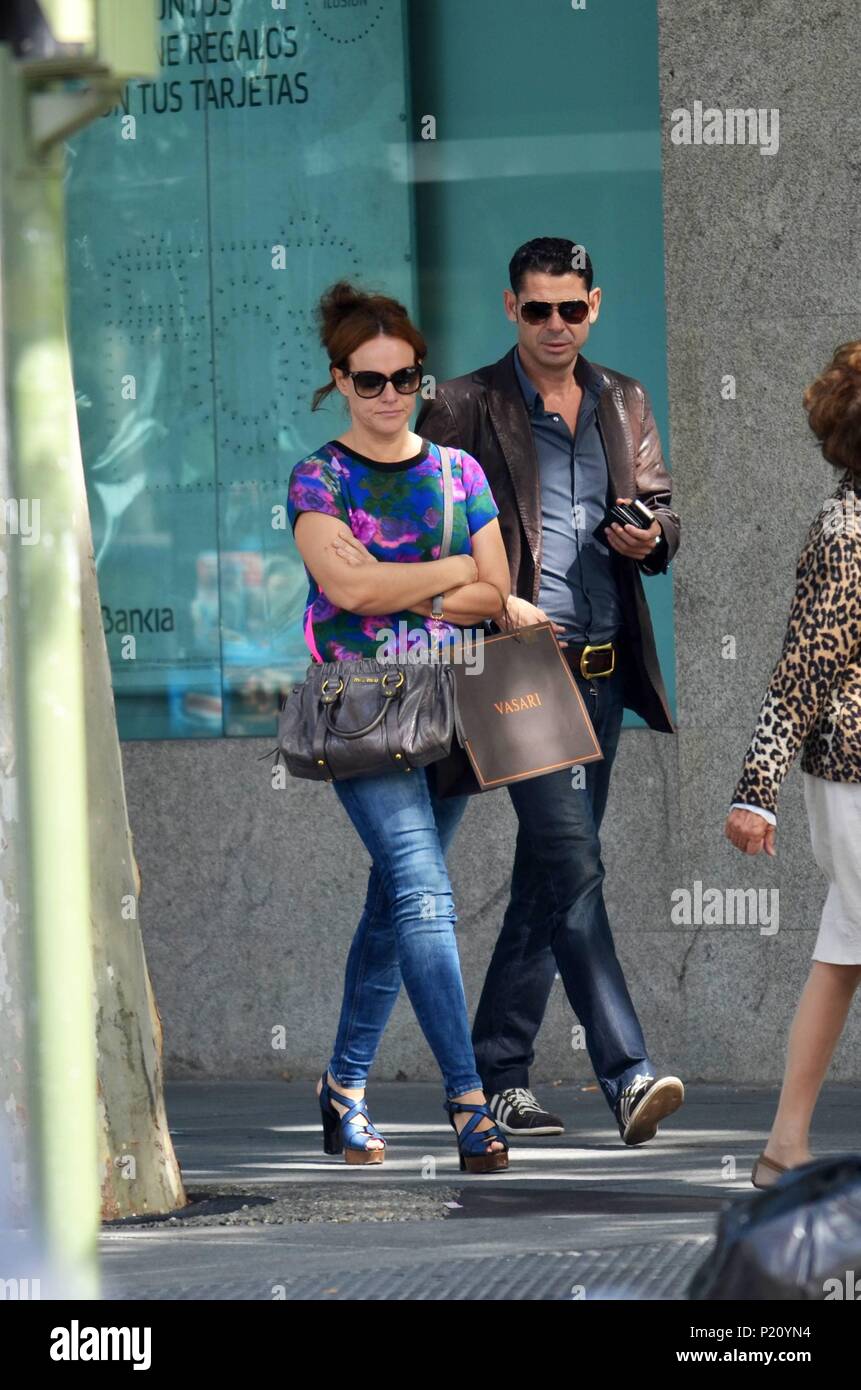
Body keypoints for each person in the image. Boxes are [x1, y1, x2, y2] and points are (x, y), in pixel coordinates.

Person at [416, 236, 684, 1144]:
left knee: (545, 869)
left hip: (604, 667)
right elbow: (418, 535)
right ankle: (628, 1072)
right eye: (538, 309)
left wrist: (652, 535)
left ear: (595, 306)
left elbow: (657, 501)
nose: (557, 326)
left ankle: (499, 1071)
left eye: (572, 308)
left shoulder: (622, 396)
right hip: (520, 671)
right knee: (572, 864)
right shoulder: (462, 405)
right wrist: (495, 594)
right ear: (510, 309)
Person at [286, 281, 513, 1172]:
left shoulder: (459, 471)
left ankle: (342, 1090)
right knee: (423, 896)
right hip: (365, 714)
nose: (389, 396)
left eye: (405, 377)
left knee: (393, 905)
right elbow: (346, 591)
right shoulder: (320, 475)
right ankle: (467, 1104)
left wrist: (402, 572)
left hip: (454, 712)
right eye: (369, 380)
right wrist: (451, 566)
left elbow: (493, 592)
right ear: (339, 380)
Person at [725, 342, 861, 1189]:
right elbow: (802, 667)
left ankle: (782, 1144)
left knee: (843, 950)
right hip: (852, 773)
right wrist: (755, 789)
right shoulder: (845, 531)